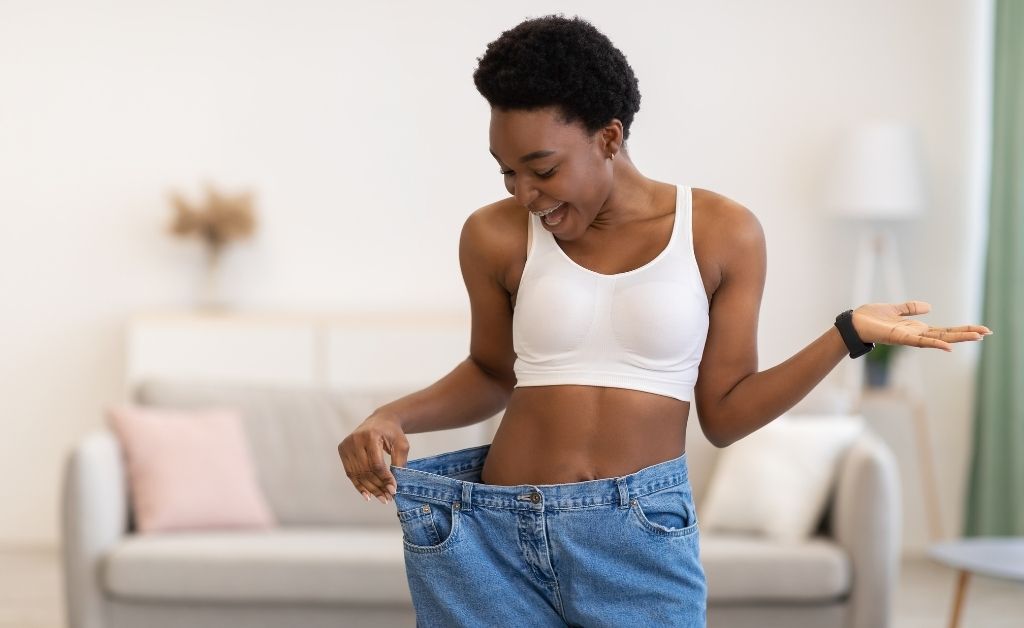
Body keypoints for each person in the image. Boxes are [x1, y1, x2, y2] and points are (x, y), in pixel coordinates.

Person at [337, 14, 992, 628]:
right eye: (507, 172)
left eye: (542, 169)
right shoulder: (493, 236)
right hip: (488, 533)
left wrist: (845, 334)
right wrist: (391, 416)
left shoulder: (720, 232)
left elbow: (727, 413)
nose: (524, 195)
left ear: (610, 137)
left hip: (637, 536)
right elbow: (490, 372)